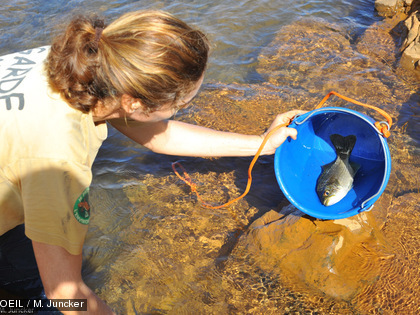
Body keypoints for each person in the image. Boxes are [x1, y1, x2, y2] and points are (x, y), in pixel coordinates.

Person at [0, 10, 304, 314]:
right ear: (134, 103)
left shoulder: (79, 62)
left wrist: (263, 144)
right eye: (180, 104)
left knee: (24, 275)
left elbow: (161, 136)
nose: (182, 109)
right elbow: (66, 294)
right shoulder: (59, 157)